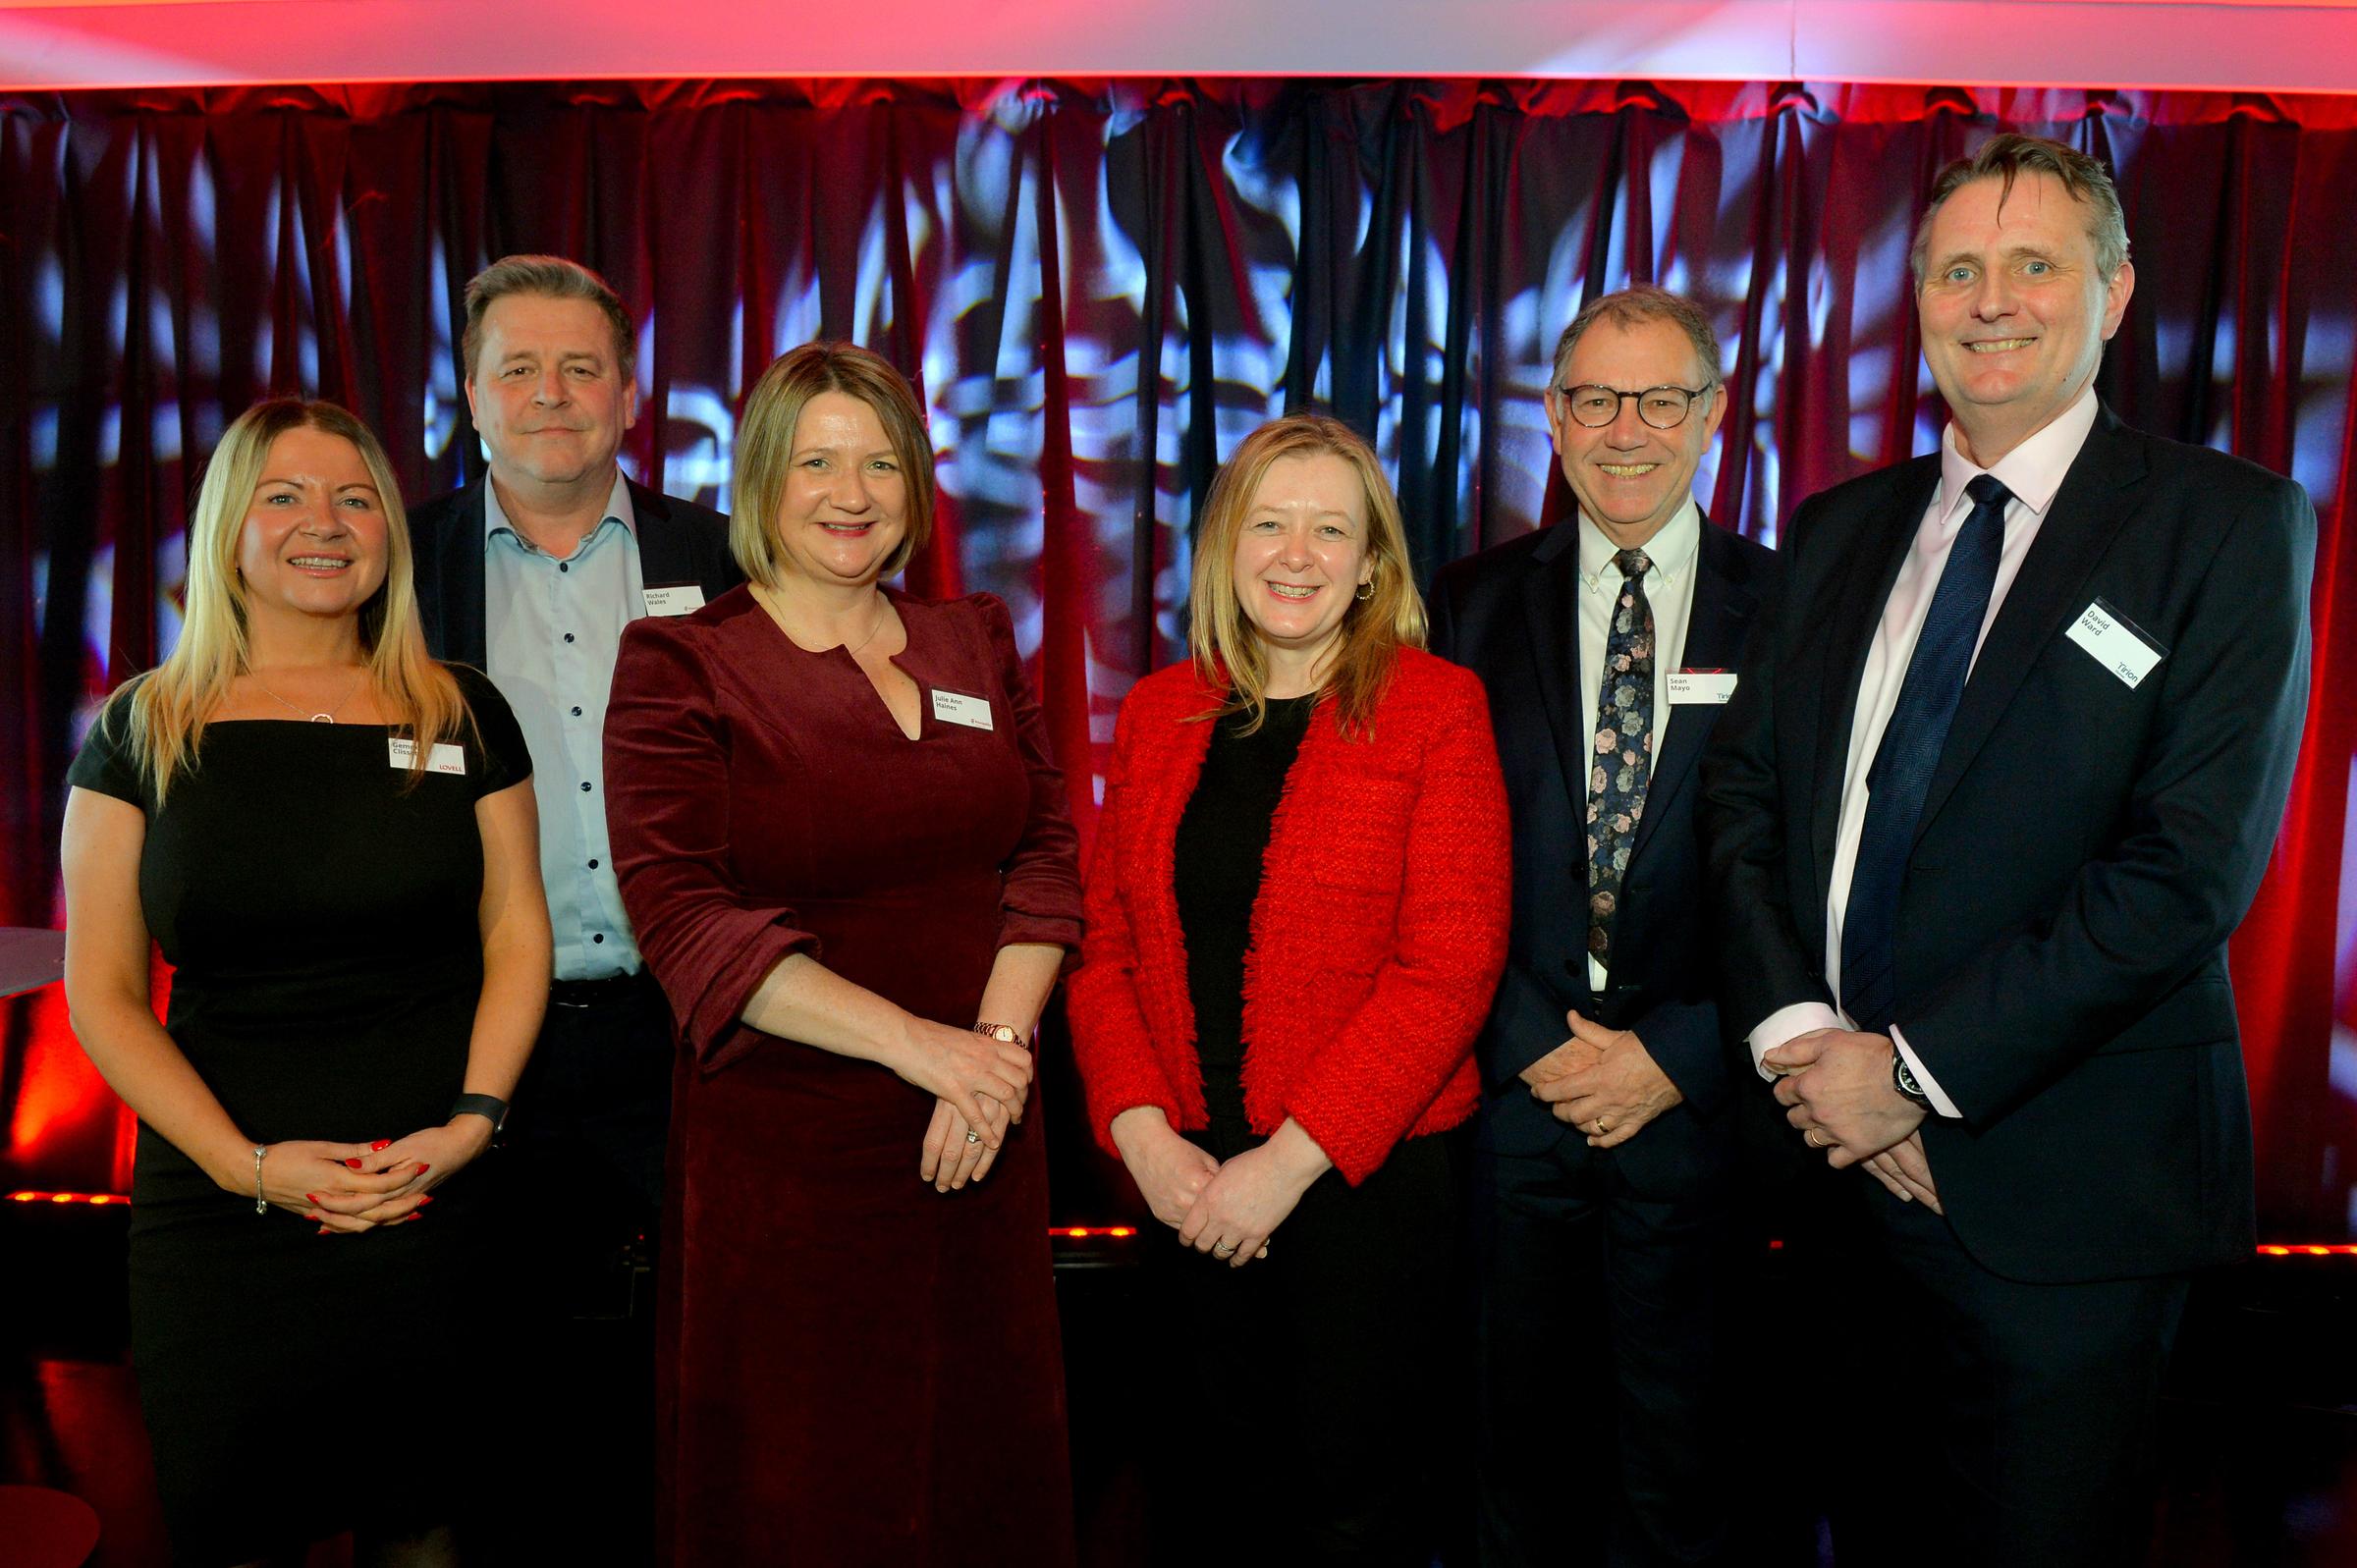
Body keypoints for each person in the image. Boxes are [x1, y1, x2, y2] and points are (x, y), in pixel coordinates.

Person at [1702, 133, 2314, 1568]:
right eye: (1958, 268)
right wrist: (1810, 1050)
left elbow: (2186, 868)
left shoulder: (2223, 525)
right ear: (1914, 298)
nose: (1993, 300)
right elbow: (1744, 807)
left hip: (2069, 1198)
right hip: (1834, 1182)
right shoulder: (1836, 527)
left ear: (2111, 297)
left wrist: (1906, 1076)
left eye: (2035, 265)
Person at [601, 340, 1083, 1567]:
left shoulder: (972, 637)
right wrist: (926, 1050)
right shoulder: (682, 663)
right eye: (816, 460)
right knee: (811, 1493)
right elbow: (686, 917)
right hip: (795, 1156)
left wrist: (995, 1048)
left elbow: (1042, 853)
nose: (849, 491)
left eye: (879, 462)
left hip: (983, 1129)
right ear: (763, 479)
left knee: (982, 1467)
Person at [58, 398, 550, 1566]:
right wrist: (249, 1167)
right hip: (222, 1221)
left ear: (390, 528)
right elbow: (106, 993)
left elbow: (518, 934)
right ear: (230, 527)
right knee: (232, 1529)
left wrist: (472, 1124)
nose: (322, 523)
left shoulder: (462, 711)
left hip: (427, 1194)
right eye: (283, 495)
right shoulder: (143, 726)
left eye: (355, 496)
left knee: (423, 1528)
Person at [1066, 411, 1511, 1566]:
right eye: (1269, 523)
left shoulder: (1436, 706)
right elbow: (1104, 943)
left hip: (1362, 1193)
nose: (1296, 554)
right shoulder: (1160, 710)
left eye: (1330, 528)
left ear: (1373, 561)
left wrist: (1285, 1164)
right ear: (1225, 546)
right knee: (1203, 1499)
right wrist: (1146, 1141)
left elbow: (1450, 966)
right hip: (1186, 1189)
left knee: (1350, 1512)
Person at [1428, 286, 1777, 1568]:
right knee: (1513, 1466)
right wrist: (1534, 1039)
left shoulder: (1796, 610)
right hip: (1508, 1099)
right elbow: (1430, 857)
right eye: (1594, 399)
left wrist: (1673, 1056)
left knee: (1688, 1475)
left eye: (1661, 399)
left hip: (1703, 1104)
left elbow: (1810, 874)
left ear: (1713, 416)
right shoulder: (1462, 607)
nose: (1627, 430)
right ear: (1553, 417)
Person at [410, 254, 740, 1255]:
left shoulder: (728, 560)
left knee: (704, 1358)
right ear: (471, 396)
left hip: (693, 1035)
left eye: (581, 368)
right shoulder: (396, 570)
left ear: (631, 395)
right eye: (517, 369)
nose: (550, 393)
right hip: (474, 1037)